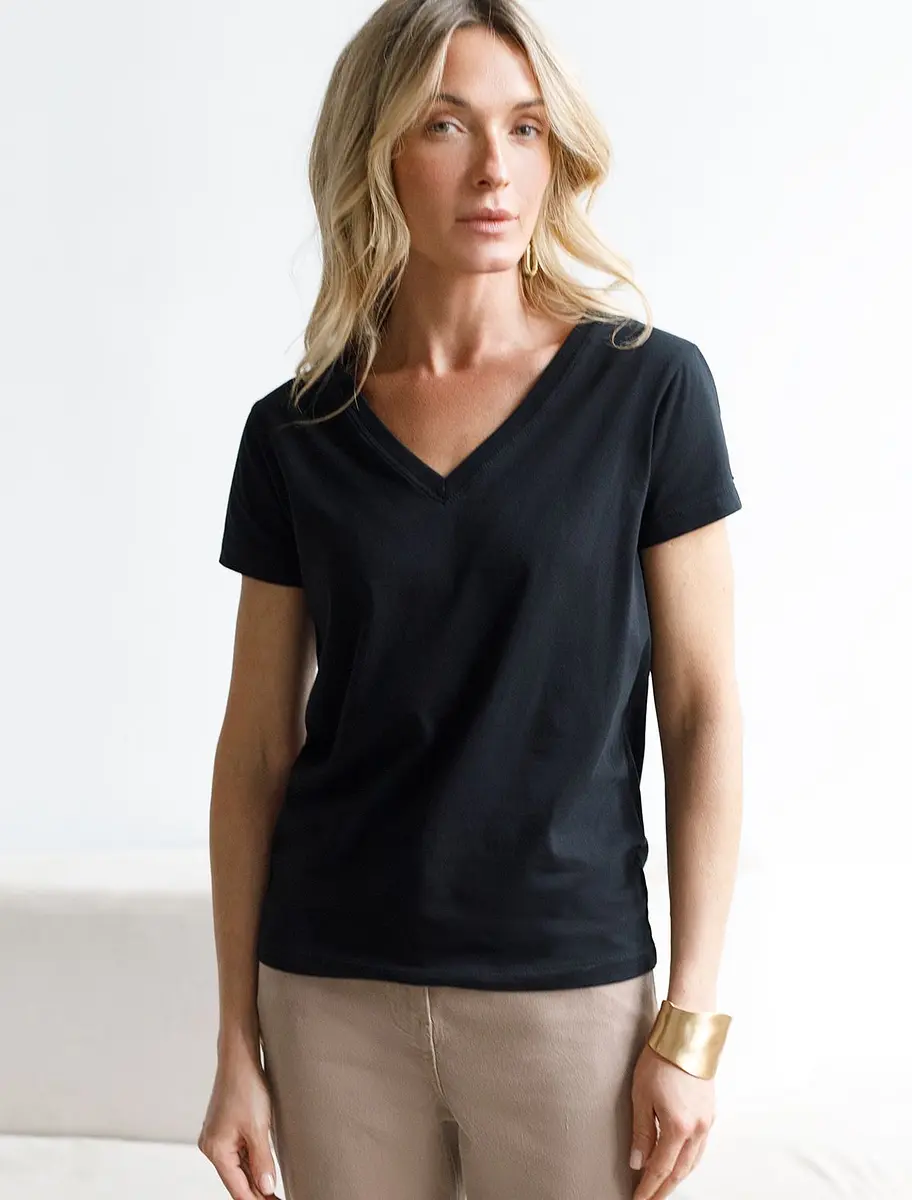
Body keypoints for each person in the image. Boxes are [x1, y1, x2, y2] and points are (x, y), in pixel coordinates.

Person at [198, 2, 743, 1199]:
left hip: (570, 996)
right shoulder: (297, 432)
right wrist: (236, 1043)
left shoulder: (649, 392)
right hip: (330, 991)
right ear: (379, 151)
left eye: (527, 128)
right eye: (446, 125)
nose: (496, 168)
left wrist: (692, 1021)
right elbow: (255, 750)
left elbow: (702, 712)